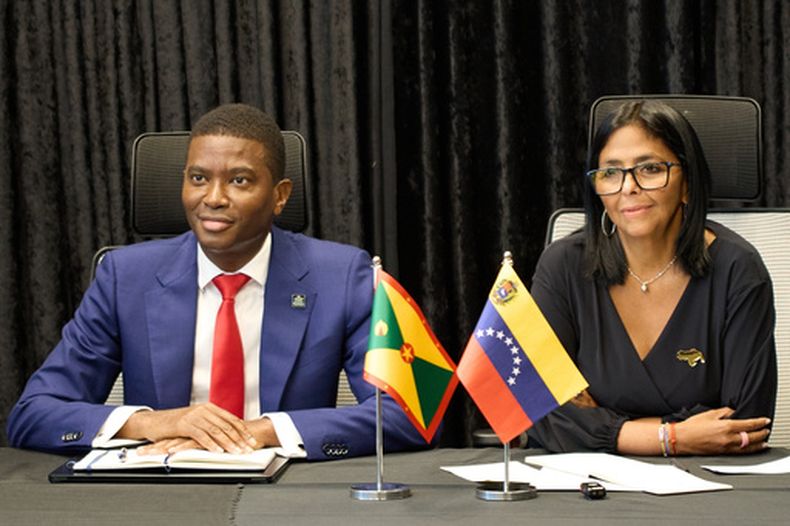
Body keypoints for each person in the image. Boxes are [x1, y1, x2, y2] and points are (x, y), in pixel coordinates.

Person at [7, 103, 427, 460]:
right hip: (159, 492)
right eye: (198, 178)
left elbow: (411, 412)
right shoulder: (124, 277)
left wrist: (261, 431)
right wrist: (154, 423)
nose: (213, 197)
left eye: (239, 180)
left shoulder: (342, 275)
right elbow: (34, 412)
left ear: (280, 195)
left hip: (286, 496)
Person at [527, 100, 776, 456]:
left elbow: (746, 423)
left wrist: (597, 422)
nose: (628, 187)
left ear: (687, 182)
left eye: (650, 169)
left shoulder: (739, 270)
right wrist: (674, 437)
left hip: (709, 482)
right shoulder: (563, 265)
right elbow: (538, 410)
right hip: (585, 480)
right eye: (610, 173)